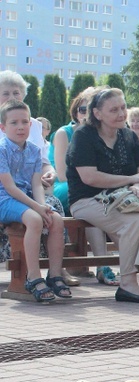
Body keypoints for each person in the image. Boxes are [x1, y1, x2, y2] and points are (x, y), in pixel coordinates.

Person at [67, 87, 139, 303]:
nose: (122, 114)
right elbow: (89, 177)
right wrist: (131, 180)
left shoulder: (129, 136)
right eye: (114, 110)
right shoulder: (83, 136)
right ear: (97, 114)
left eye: (123, 107)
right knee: (135, 222)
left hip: (126, 199)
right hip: (87, 200)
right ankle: (127, 284)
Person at [0, 100, 69, 302]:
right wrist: (36, 208)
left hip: (28, 197)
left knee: (55, 219)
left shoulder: (34, 150)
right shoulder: (2, 149)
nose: (20, 127)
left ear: (31, 125)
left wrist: (43, 205)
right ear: (3, 127)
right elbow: (10, 187)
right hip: (5, 198)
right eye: (14, 123)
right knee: (35, 219)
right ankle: (33, 276)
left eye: (24, 122)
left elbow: (37, 183)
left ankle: (55, 274)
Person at [49, 88, 117, 286]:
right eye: (82, 110)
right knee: (93, 200)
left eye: (90, 110)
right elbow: (61, 174)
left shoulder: (103, 135)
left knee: (106, 203)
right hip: (64, 186)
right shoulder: (64, 133)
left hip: (93, 189)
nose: (85, 115)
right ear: (76, 111)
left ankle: (112, 264)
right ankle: (104, 266)